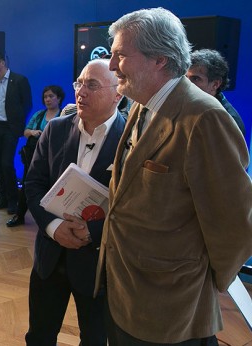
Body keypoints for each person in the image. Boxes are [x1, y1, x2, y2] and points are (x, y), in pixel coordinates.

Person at [98, 8, 252, 345]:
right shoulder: (142, 101)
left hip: (171, 306)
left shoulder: (205, 118)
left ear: (159, 60)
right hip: (124, 291)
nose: (111, 66)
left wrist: (199, 283)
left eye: (120, 55)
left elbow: (235, 223)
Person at [24, 59, 124, 345]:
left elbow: (134, 208)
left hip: (98, 264)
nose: (81, 92)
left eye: (92, 85)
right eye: (79, 83)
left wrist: (91, 232)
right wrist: (54, 227)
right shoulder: (55, 129)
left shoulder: (131, 139)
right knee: (39, 336)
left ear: (118, 94)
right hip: (49, 257)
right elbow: (32, 185)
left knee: (95, 338)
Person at [7, 85, 64, 227]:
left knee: (54, 187)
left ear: (59, 98)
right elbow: (25, 131)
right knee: (28, 185)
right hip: (33, 158)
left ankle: (51, 219)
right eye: (45, 97)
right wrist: (33, 132)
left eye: (51, 96)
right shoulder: (38, 115)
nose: (48, 99)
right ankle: (19, 215)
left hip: (55, 159)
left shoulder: (64, 115)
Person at [0, 51, 32, 215]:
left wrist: (18, 126)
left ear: (3, 63)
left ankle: (14, 200)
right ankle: (4, 197)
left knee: (7, 163)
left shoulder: (19, 80)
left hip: (10, 128)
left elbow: (27, 104)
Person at [187, 48, 245, 135]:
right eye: (186, 78)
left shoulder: (229, 121)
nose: (187, 83)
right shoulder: (189, 105)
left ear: (215, 84)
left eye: (195, 79)